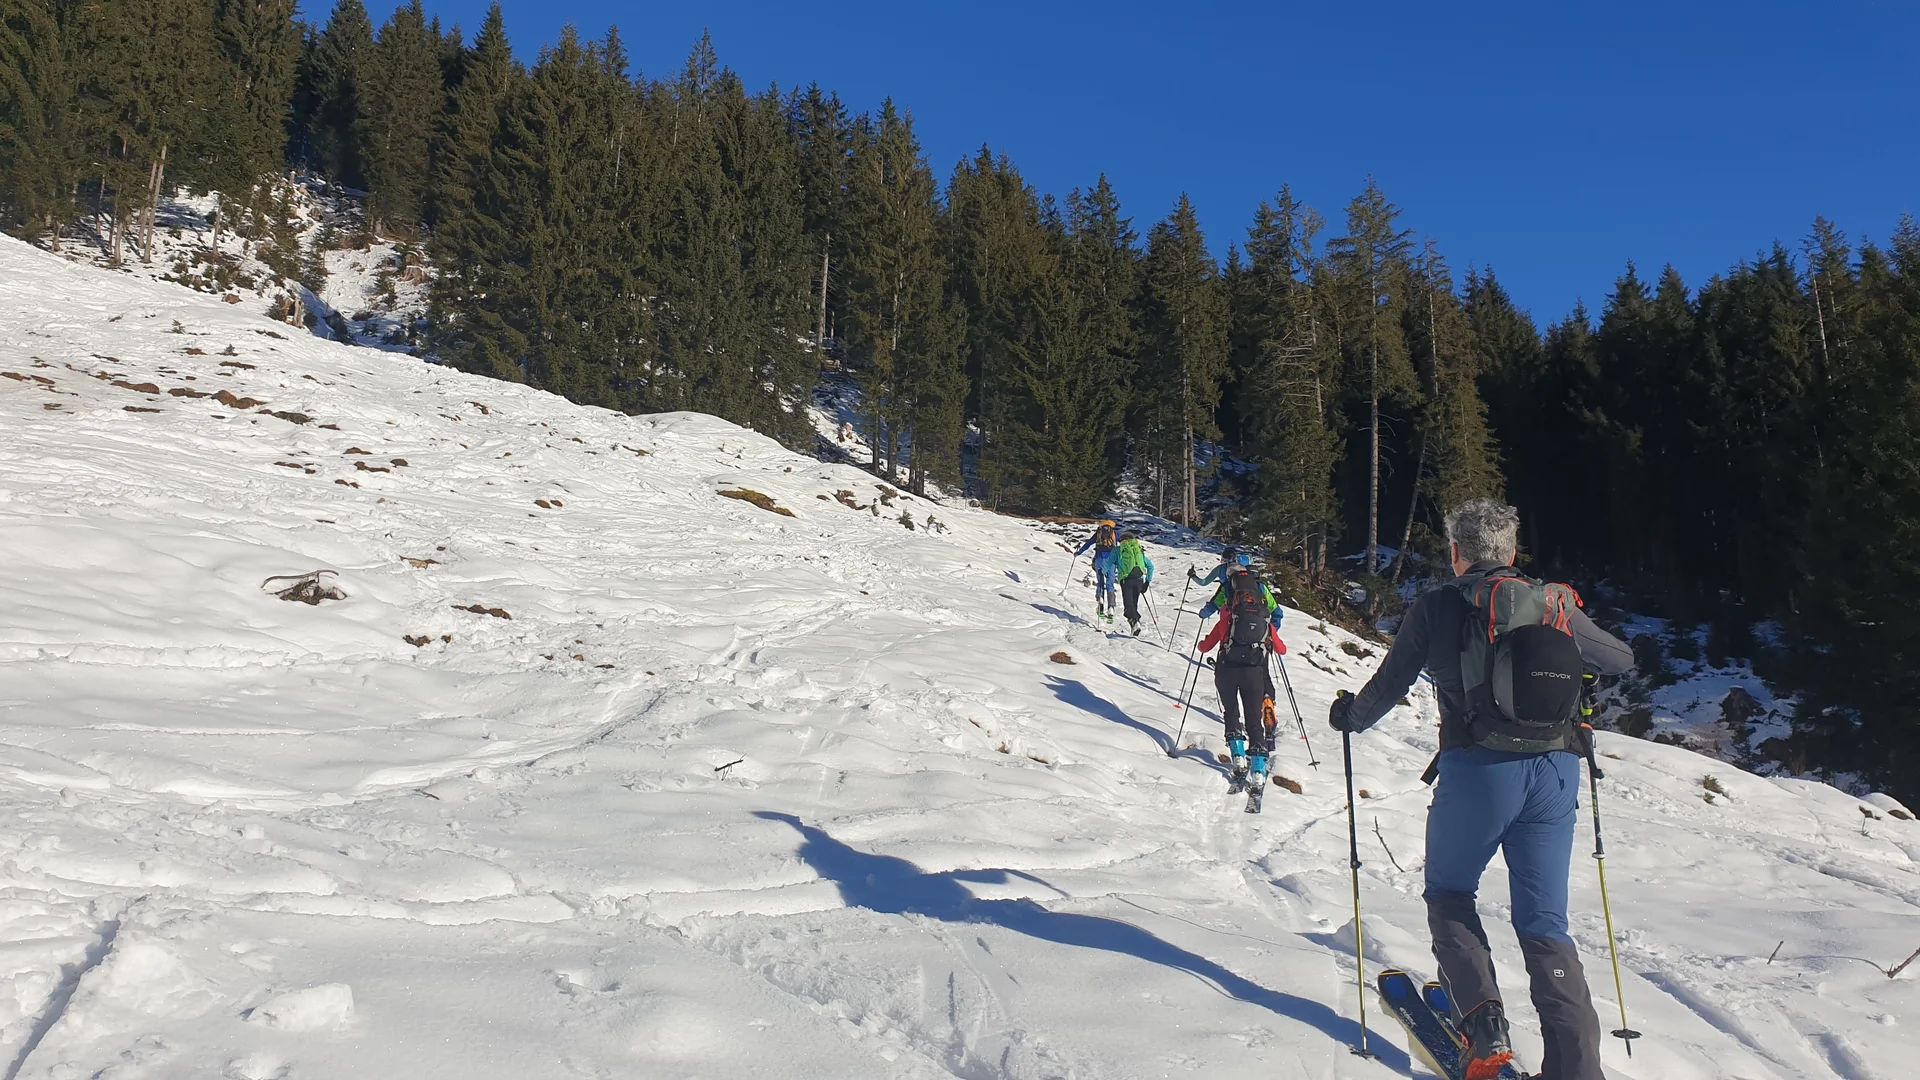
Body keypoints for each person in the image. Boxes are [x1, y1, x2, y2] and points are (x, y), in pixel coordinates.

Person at [1327, 499, 1632, 1080]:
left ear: (1455, 553)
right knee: (1545, 923)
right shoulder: (1554, 603)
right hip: (1556, 773)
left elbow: (1389, 684)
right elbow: (1620, 659)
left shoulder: (1439, 606)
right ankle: (1577, 1067)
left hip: (1480, 772)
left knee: (1449, 894)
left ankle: (1485, 1031)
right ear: (1513, 551)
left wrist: (1350, 717)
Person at [1195, 552, 1286, 790]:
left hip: (1226, 668)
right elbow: (1282, 649)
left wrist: (1203, 642)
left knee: (1231, 713)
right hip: (1255, 667)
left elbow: (1206, 646)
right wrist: (1266, 635)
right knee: (1253, 719)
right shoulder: (1263, 605)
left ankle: (1237, 756)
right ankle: (1257, 767)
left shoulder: (1228, 617)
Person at [1074, 520, 1121, 623]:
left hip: (1099, 559)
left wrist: (1079, 553)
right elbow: (1123, 545)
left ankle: (1100, 603)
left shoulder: (1098, 533)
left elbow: (1088, 544)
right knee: (1110, 584)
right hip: (1111, 561)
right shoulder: (1115, 533)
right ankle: (1111, 607)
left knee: (1100, 583)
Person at [1115, 532, 1155, 635]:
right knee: (1133, 604)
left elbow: (1110, 563)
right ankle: (1134, 626)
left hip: (1126, 580)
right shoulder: (1139, 550)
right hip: (1139, 580)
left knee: (1128, 606)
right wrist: (1147, 582)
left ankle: (1136, 620)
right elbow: (1150, 566)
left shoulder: (1121, 550)